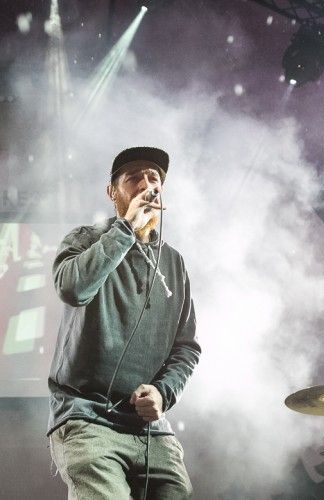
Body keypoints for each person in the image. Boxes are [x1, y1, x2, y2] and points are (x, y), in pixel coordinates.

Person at [47, 146, 201, 499]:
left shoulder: (174, 263)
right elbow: (73, 288)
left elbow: (186, 348)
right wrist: (126, 229)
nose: (147, 185)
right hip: (86, 417)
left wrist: (163, 392)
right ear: (112, 192)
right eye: (134, 178)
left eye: (154, 178)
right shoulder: (86, 239)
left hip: (149, 427)